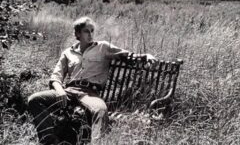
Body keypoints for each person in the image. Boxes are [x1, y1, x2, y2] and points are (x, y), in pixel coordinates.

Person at [27, 16, 156, 145]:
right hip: (69, 91)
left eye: (92, 31)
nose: (90, 34)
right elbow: (56, 77)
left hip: (90, 93)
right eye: (86, 31)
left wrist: (145, 56)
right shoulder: (68, 52)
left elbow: (126, 55)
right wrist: (60, 91)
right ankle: (50, 141)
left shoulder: (102, 47)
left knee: (100, 110)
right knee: (35, 99)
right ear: (78, 33)